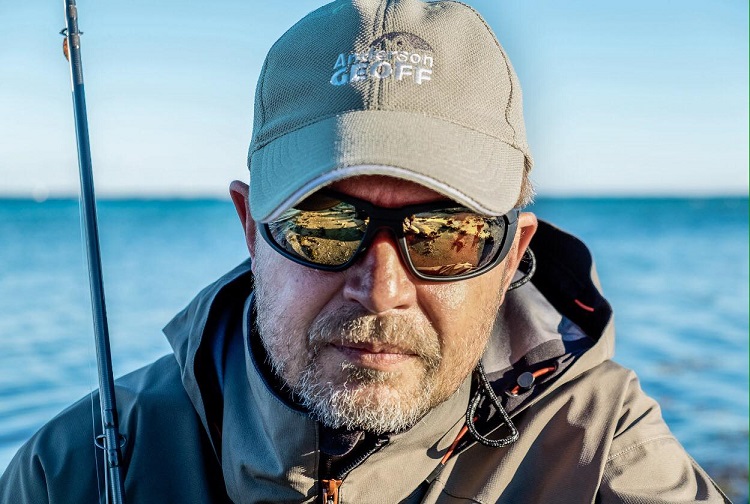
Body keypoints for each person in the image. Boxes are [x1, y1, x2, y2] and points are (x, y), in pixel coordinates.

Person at [0, 0, 731, 502]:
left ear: (513, 254)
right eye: (325, 224)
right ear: (251, 227)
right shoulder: (72, 470)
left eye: (446, 235)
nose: (380, 290)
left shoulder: (601, 448)